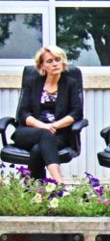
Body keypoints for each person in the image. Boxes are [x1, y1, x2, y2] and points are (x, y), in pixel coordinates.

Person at [11, 45, 83, 184]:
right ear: (42, 66)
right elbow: (23, 113)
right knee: (45, 134)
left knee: (38, 150)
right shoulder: (33, 83)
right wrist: (43, 126)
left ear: (63, 62)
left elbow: (76, 113)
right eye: (49, 61)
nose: (55, 63)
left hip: (58, 133)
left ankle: (31, 189)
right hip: (29, 133)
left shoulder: (70, 84)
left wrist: (55, 125)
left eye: (58, 59)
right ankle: (59, 184)